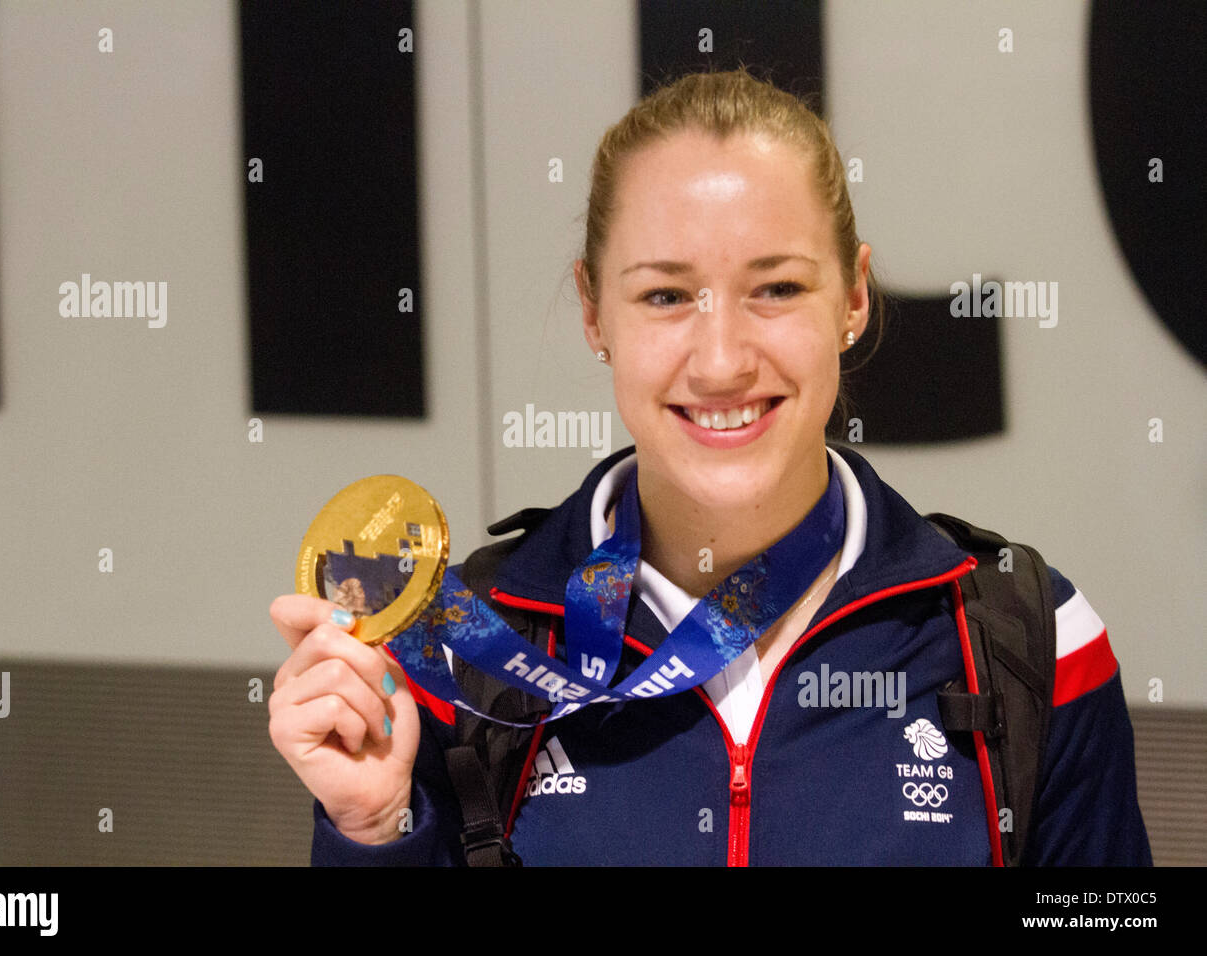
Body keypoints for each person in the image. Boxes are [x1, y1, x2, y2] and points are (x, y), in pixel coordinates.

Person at [267, 68, 1152, 865]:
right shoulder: (464, 656)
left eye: (776, 288)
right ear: (594, 311)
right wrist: (373, 831)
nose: (722, 360)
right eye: (664, 295)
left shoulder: (1028, 639)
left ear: (852, 297)